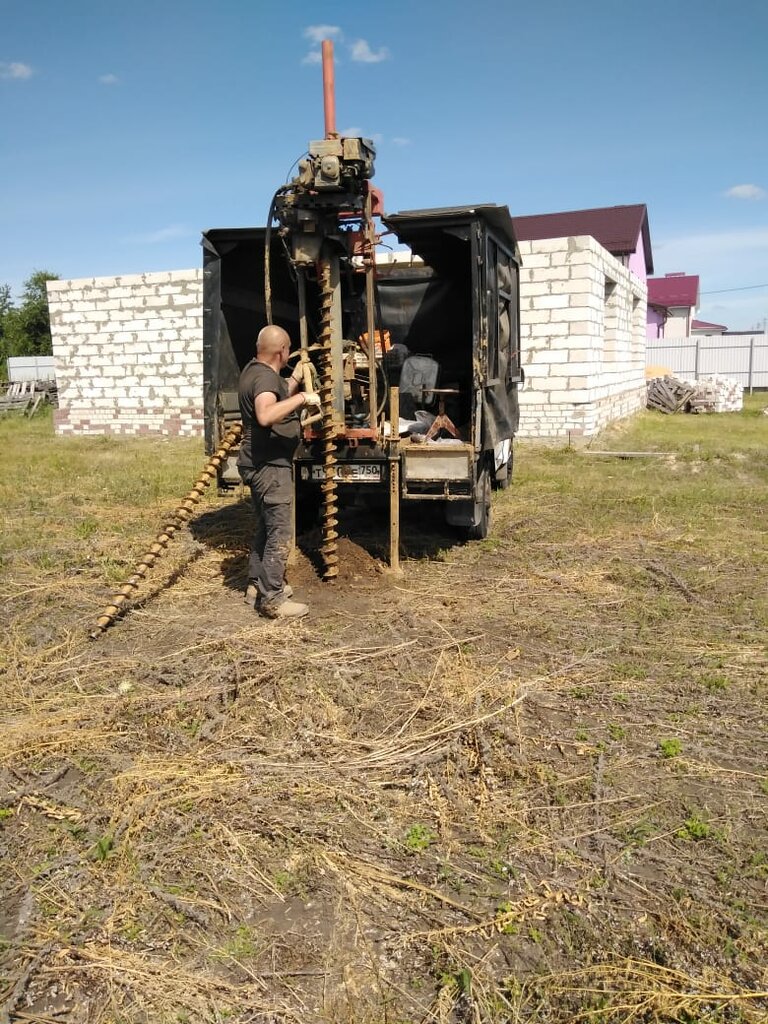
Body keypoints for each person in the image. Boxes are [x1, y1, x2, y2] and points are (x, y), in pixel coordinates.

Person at [237, 325, 321, 618]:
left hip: (256, 462)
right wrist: (302, 399)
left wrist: (296, 379)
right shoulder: (264, 378)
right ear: (281, 351)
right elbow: (266, 413)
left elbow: (276, 391)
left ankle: (255, 586)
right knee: (280, 532)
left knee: (264, 528)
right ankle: (272, 598)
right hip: (269, 467)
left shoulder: (253, 370)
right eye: (288, 350)